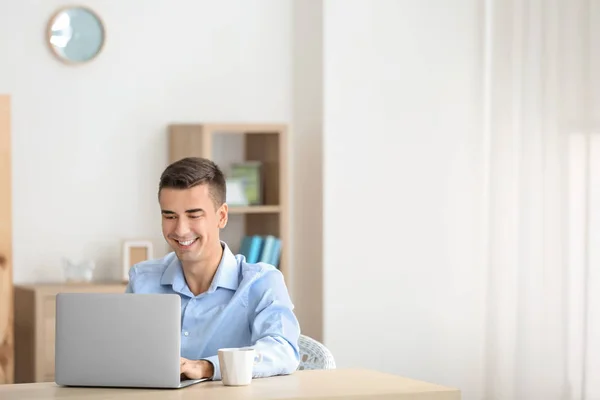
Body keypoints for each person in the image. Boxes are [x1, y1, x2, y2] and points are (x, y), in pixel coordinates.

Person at [125, 157, 300, 381]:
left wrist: (208, 367)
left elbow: (283, 350)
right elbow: (122, 352)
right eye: (170, 216)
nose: (180, 229)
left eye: (194, 215)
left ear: (222, 216)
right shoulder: (142, 279)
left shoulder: (261, 281)